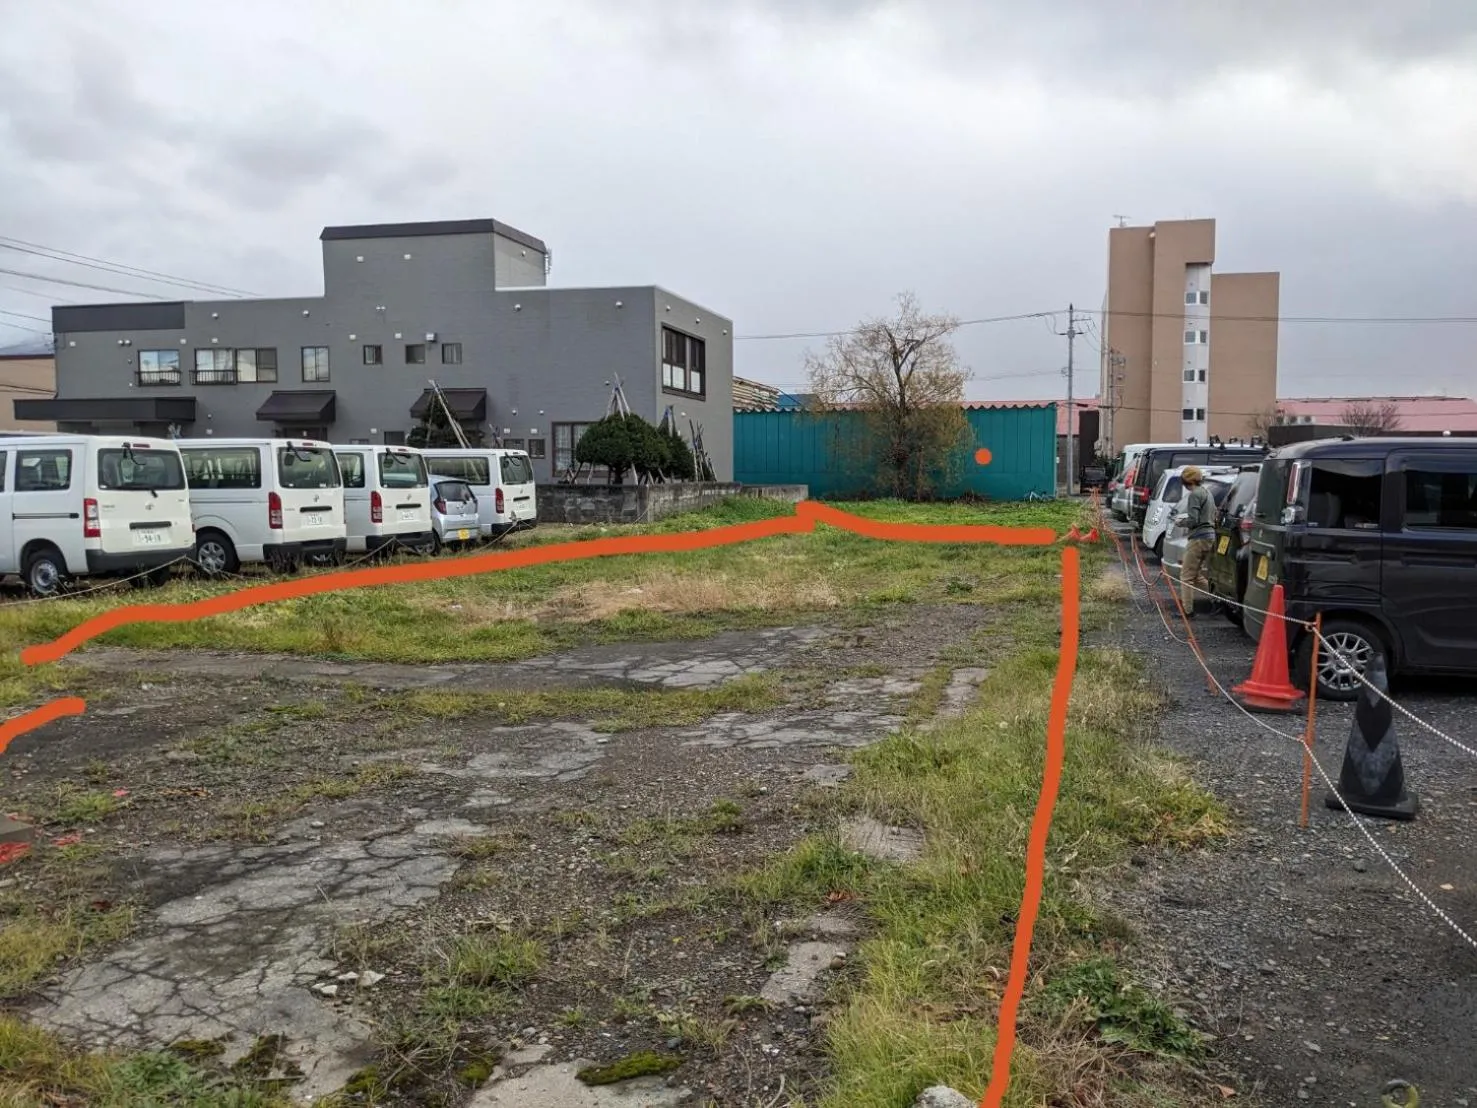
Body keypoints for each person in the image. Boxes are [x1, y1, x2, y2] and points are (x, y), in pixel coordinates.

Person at [1177, 466, 1217, 616]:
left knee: (1186, 577)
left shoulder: (1194, 495)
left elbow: (1193, 520)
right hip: (1210, 537)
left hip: (1198, 538)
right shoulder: (1208, 492)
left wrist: (1180, 522)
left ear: (1187, 480)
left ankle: (1187, 611)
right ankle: (1219, 599)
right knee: (1196, 575)